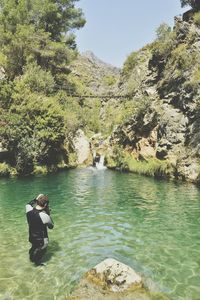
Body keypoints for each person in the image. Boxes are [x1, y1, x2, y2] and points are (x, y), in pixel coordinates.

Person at [25, 194, 54, 266]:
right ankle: (37, 264)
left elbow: (29, 203)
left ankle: (32, 258)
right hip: (42, 241)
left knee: (34, 248)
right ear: (46, 204)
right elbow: (51, 226)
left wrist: (36, 198)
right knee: (40, 253)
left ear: (37, 201)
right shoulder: (44, 216)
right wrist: (48, 213)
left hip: (32, 237)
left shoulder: (28, 209)